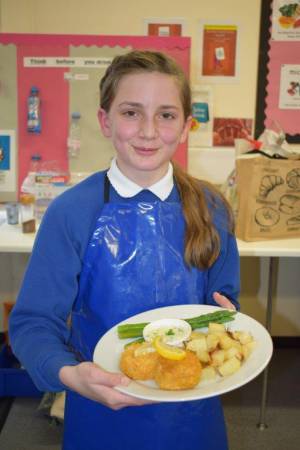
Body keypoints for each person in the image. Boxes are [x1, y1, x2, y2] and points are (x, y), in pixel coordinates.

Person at [9, 50, 240, 450]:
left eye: (166, 115)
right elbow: (32, 324)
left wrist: (228, 321)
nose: (149, 131)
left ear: (186, 126)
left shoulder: (212, 209)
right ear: (105, 120)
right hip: (101, 411)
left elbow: (225, 303)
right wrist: (70, 375)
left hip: (191, 414)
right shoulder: (72, 212)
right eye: (131, 112)